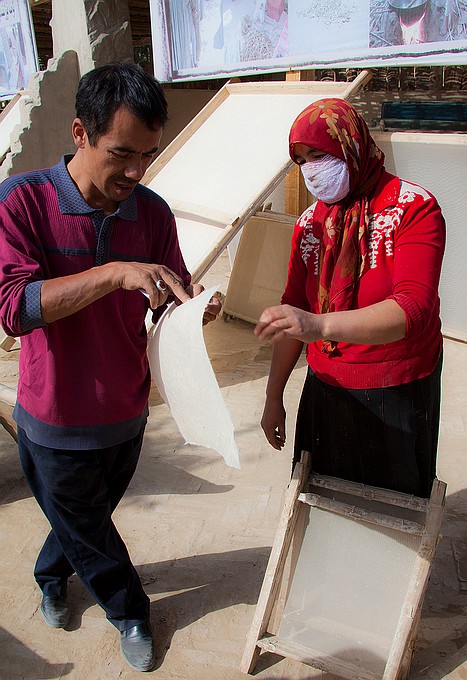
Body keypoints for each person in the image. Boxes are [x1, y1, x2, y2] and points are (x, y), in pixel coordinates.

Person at [0, 62, 220, 673]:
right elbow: (13, 309)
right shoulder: (22, 201)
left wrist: (192, 308)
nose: (135, 172)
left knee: (83, 522)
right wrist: (114, 273)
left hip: (126, 410)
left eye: (147, 155)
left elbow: (167, 294)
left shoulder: (152, 214)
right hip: (55, 414)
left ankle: (50, 577)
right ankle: (130, 611)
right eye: (122, 153)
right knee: (88, 527)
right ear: (80, 132)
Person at [255, 98, 445, 499]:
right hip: (325, 387)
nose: (310, 170)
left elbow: (412, 309)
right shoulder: (310, 224)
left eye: (318, 155)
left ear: (350, 145)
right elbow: (293, 310)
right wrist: (273, 397)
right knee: (324, 503)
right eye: (300, 160)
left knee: (392, 508)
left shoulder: (412, 208)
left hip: (395, 391)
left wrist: (319, 324)